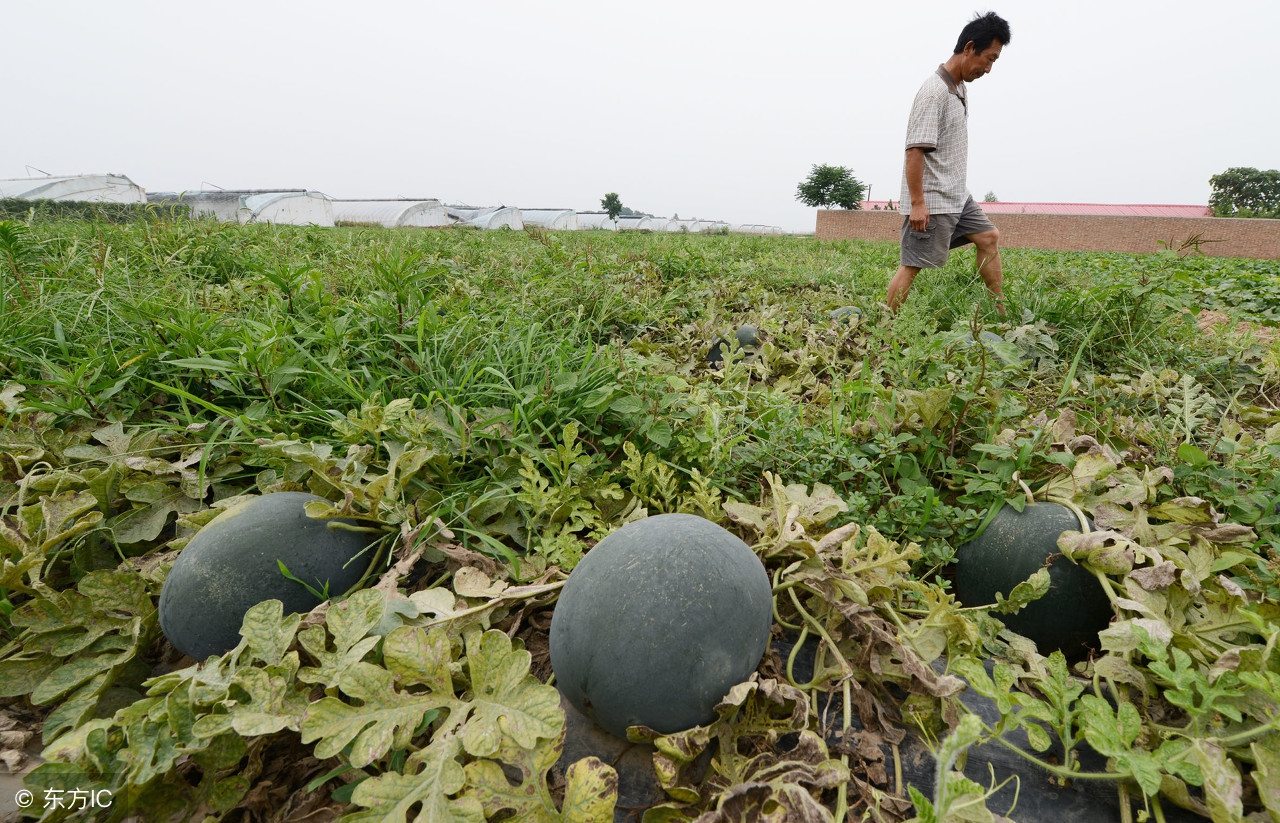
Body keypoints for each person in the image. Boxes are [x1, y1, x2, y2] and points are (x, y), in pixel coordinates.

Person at [886, 11, 1011, 314]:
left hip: (957, 195)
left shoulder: (959, 88)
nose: (989, 68)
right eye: (989, 59)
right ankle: (885, 327)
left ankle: (1001, 312)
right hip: (934, 200)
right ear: (969, 48)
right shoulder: (935, 92)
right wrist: (918, 203)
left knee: (988, 236)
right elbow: (914, 151)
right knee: (912, 265)